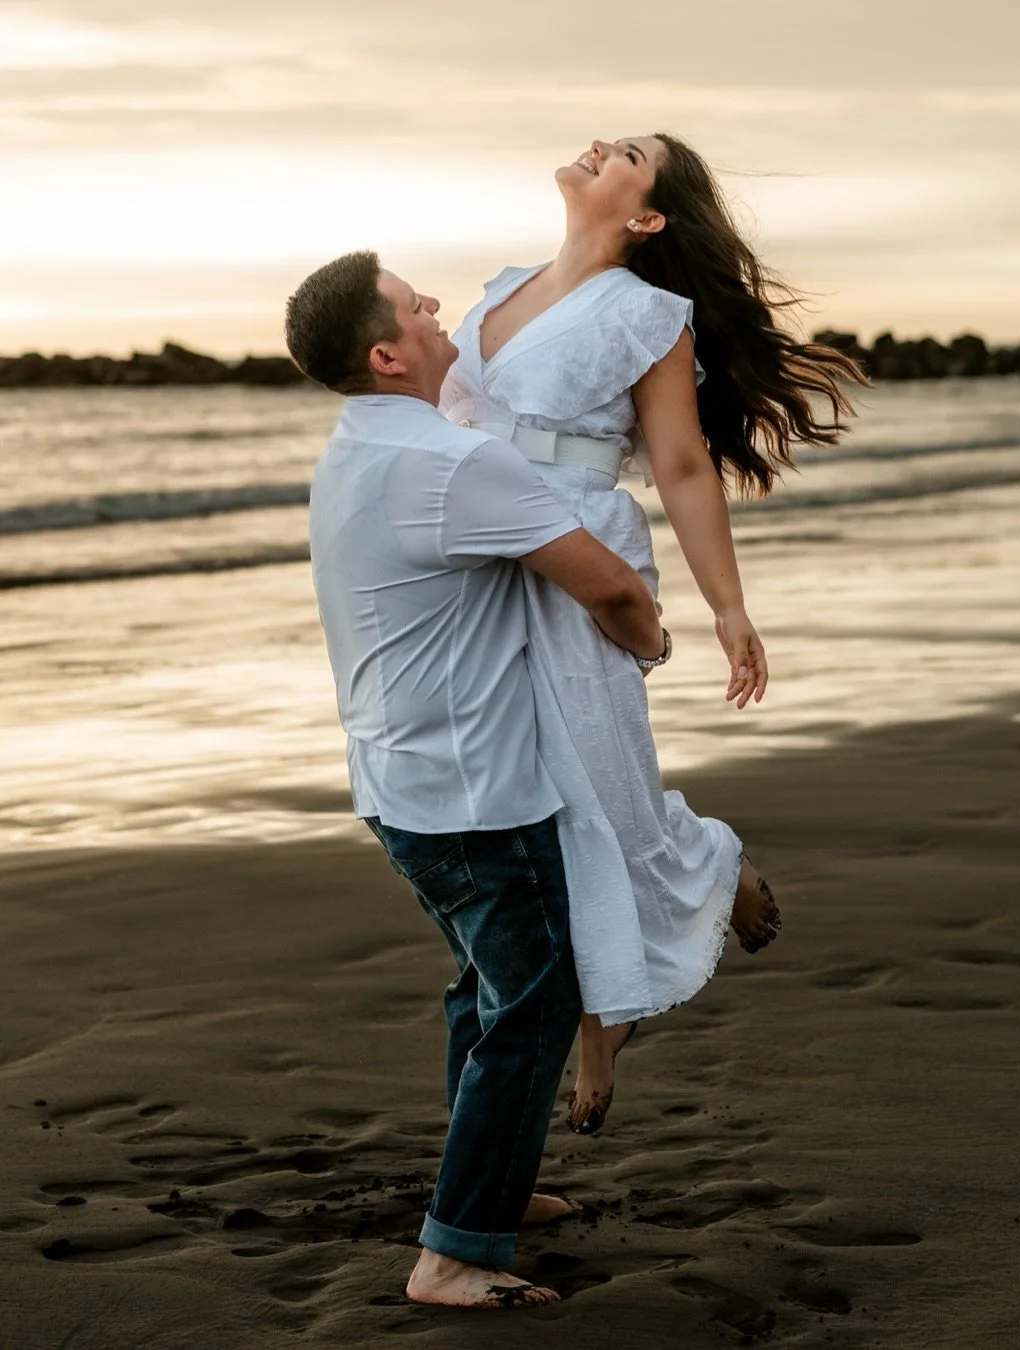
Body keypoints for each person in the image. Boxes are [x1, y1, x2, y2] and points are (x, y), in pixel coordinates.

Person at [441, 133, 865, 1134]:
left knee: (596, 775)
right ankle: (706, 877)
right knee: (516, 788)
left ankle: (606, 1005)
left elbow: (678, 464)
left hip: (578, 552)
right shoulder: (499, 288)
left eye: (628, 152)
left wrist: (727, 605)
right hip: (477, 561)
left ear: (648, 218)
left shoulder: (648, 314)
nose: (598, 144)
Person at [286, 251, 666, 1309]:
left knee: (487, 990)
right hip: (472, 789)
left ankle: (492, 1187)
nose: (435, 307)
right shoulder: (457, 467)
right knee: (538, 1003)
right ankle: (454, 1255)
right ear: (388, 352)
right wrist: (652, 643)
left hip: (393, 777)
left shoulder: (356, 450)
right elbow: (612, 586)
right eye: (416, 306)